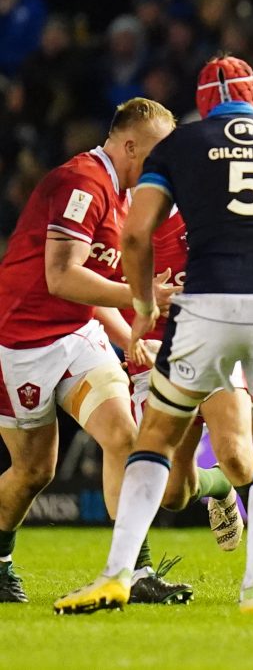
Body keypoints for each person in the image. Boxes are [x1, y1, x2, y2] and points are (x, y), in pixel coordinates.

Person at [54, 55, 253, 616]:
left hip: (205, 318)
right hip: (239, 318)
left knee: (241, 455)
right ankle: (219, 501)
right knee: (178, 491)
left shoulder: (181, 177)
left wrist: (144, 301)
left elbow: (134, 244)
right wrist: (132, 325)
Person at [0, 98, 190, 605]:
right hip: (20, 340)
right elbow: (61, 277)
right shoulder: (81, 183)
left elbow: (92, 288)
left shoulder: (129, 197)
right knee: (33, 472)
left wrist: (127, 333)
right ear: (129, 145)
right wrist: (143, 298)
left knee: (125, 438)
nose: (163, 167)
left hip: (77, 335)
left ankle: (134, 570)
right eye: (156, 154)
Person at [119, 209, 253, 600]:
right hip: (152, 359)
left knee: (239, 455)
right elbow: (98, 296)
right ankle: (219, 484)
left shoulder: (203, 211)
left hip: (212, 344)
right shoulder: (122, 218)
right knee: (173, 494)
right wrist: (131, 339)